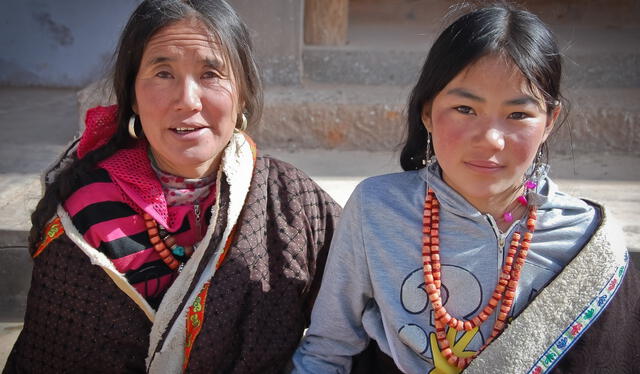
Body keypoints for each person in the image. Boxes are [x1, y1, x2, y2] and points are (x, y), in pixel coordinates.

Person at [292, 3, 640, 374]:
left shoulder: (586, 241)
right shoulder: (376, 209)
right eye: (464, 109)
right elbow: (327, 350)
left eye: (518, 115)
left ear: (550, 122)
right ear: (427, 112)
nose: (490, 139)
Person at [4, 0, 340, 373]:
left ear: (243, 91)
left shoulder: (290, 200)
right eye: (163, 73)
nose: (187, 100)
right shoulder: (85, 217)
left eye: (211, 74)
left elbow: (360, 320)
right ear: (132, 94)